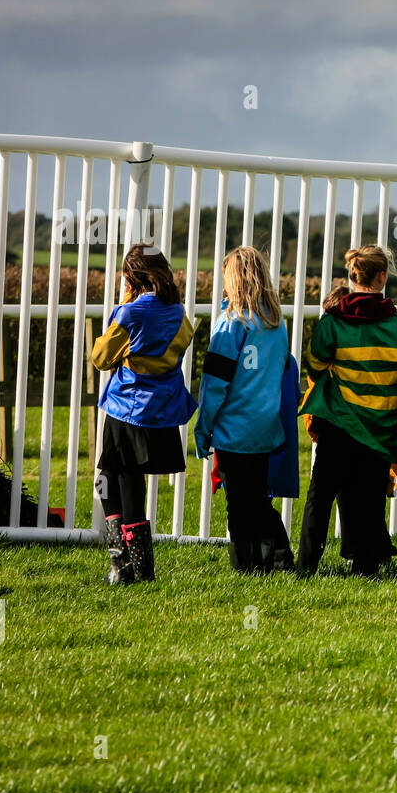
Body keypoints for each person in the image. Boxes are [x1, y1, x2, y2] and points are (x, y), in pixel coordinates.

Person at [297, 246, 397, 576]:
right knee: (370, 498)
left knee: (320, 496)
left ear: (352, 275)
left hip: (340, 423)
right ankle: (366, 565)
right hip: (380, 426)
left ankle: (306, 566)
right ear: (381, 277)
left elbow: (315, 365)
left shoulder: (333, 323)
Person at [91, 244, 197, 585]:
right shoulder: (179, 313)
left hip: (127, 408)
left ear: (130, 277)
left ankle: (126, 566)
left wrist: (124, 305)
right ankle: (136, 567)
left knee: (114, 481)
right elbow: (178, 348)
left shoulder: (130, 313)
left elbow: (101, 357)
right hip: (160, 409)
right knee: (128, 481)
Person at [195, 246, 293, 573]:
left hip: (234, 430)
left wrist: (202, 427)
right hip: (266, 428)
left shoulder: (230, 324)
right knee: (258, 498)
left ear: (233, 281)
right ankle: (277, 558)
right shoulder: (277, 324)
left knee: (237, 502)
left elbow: (215, 384)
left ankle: (247, 566)